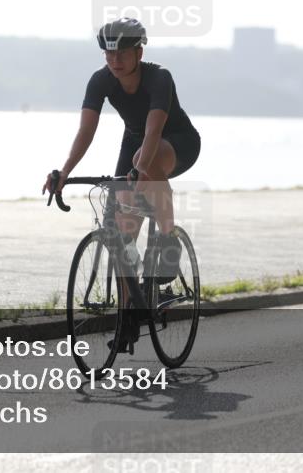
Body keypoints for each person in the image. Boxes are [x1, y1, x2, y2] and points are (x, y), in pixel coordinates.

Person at [42, 18, 201, 350]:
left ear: (139, 53)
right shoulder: (101, 80)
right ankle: (129, 319)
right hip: (134, 142)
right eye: (108, 54)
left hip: (176, 140)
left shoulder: (160, 77)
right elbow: (86, 131)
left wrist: (140, 171)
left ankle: (168, 241)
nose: (114, 61)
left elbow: (154, 130)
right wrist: (65, 172)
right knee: (122, 235)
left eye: (122, 54)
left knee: (145, 160)